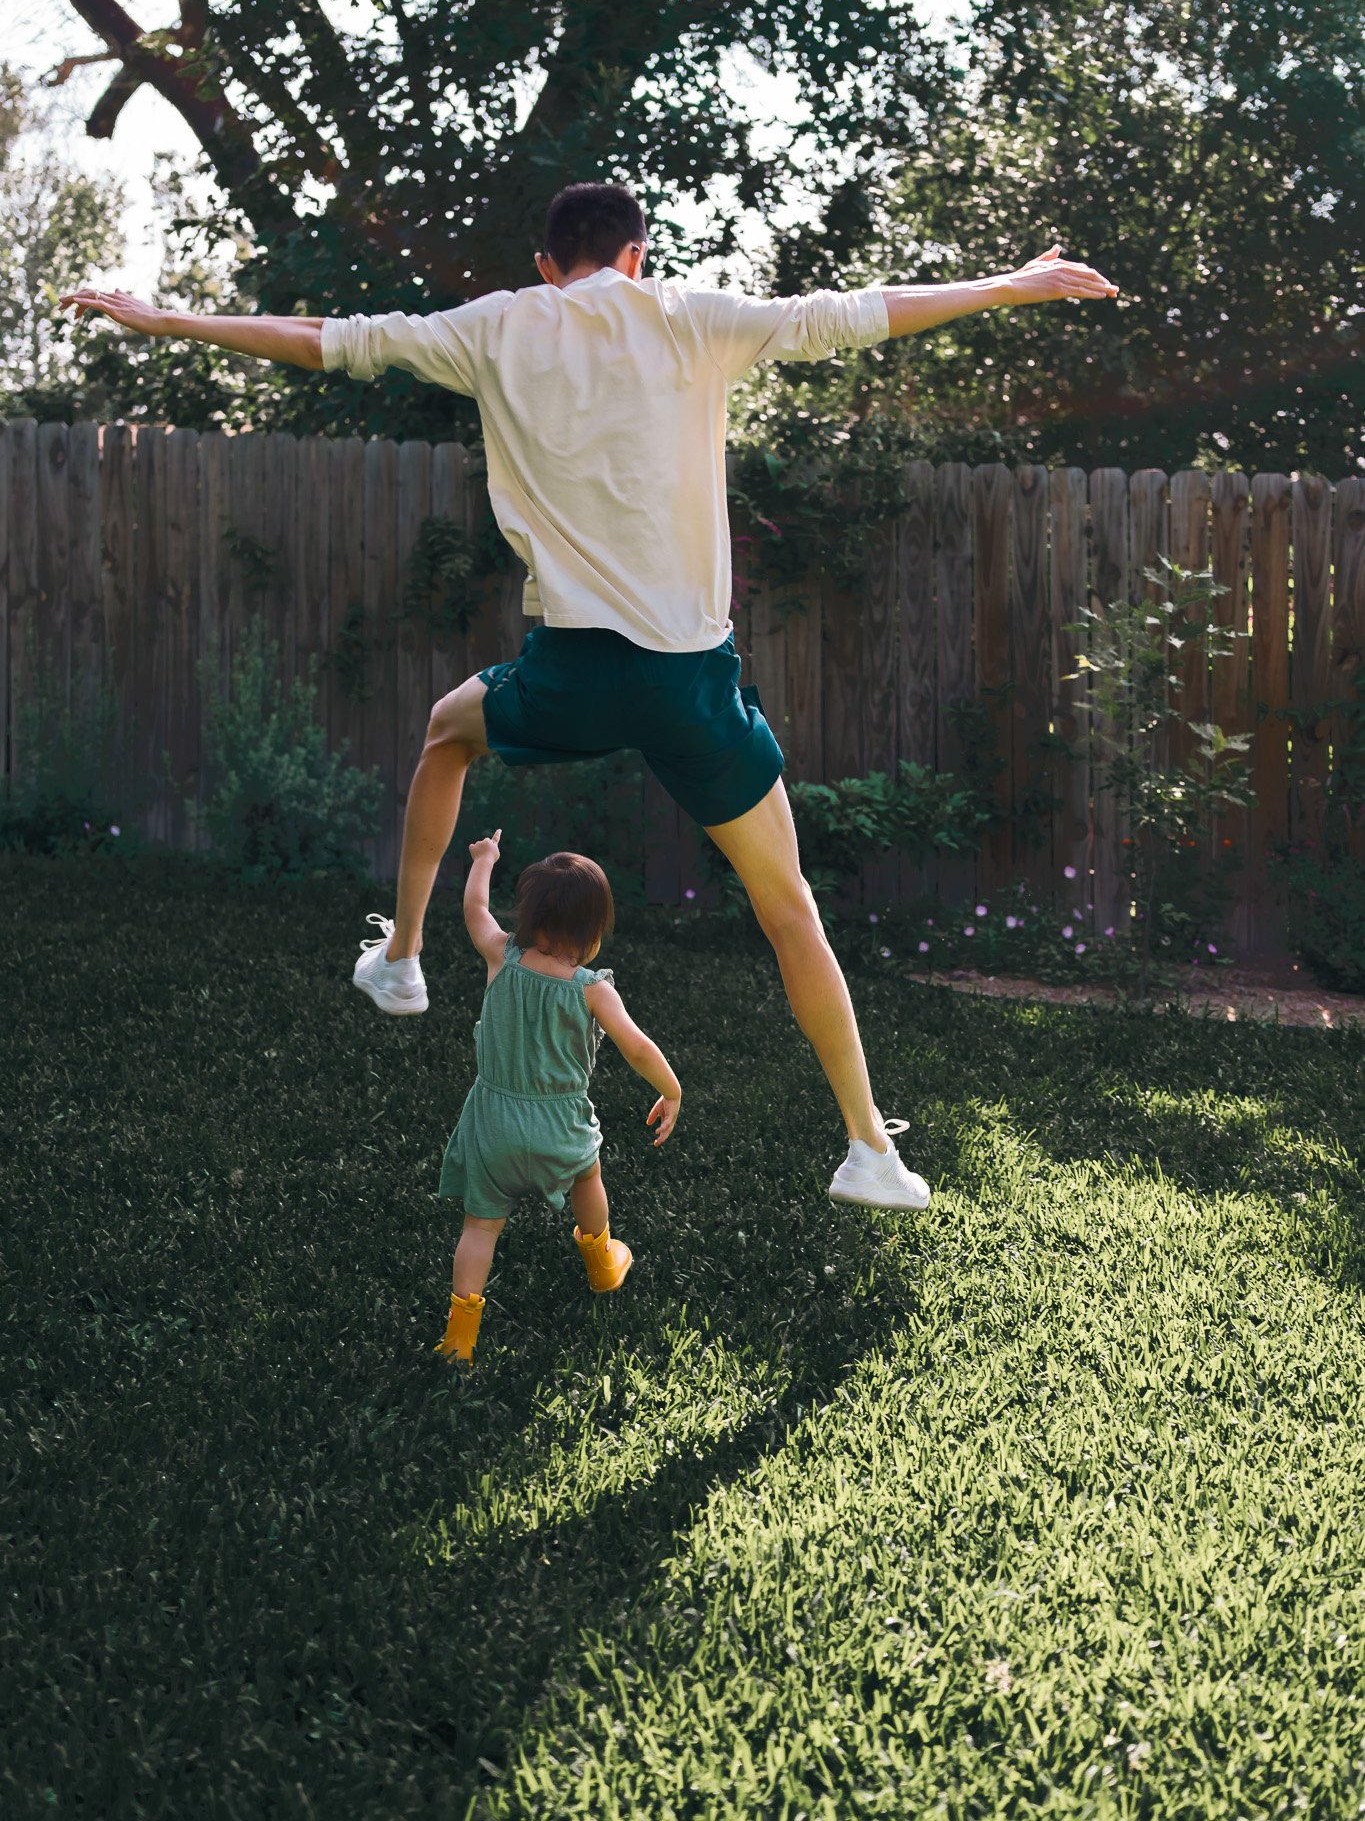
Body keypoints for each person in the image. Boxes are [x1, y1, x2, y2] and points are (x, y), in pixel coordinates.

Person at [60, 185, 1117, 1213]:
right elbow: (852, 315)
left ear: (544, 265)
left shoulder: (498, 326)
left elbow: (328, 337)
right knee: (789, 907)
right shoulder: (691, 317)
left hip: (571, 674)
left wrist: (169, 319)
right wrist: (1007, 284)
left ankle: (401, 959)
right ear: (638, 254)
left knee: (446, 730)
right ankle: (870, 1147)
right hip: (691, 685)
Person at [431, 828, 678, 1368]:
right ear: (593, 930)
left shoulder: (501, 954)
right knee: (588, 1178)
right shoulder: (591, 987)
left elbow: (474, 907)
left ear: (527, 917)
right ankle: (602, 1263)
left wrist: (485, 859)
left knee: (479, 1228)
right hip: (560, 1128)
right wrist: (670, 1088)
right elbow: (635, 1046)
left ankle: (459, 1338)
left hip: (493, 1123)